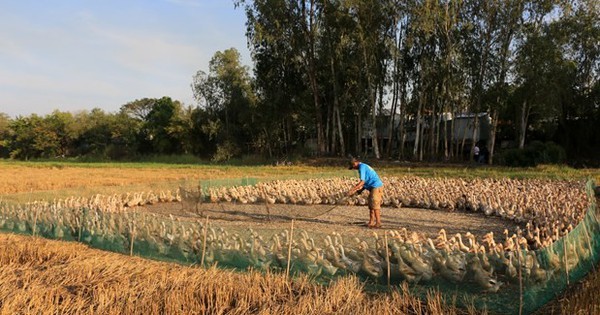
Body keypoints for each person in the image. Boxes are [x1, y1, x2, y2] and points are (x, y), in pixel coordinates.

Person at [347, 157, 384, 228]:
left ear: (355, 163)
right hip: (372, 187)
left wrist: (352, 190)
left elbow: (362, 182)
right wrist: (360, 191)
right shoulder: (363, 166)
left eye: (353, 167)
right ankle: (371, 222)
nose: (354, 169)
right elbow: (366, 181)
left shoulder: (362, 167)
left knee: (375, 204)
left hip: (376, 186)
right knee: (371, 205)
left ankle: (378, 223)